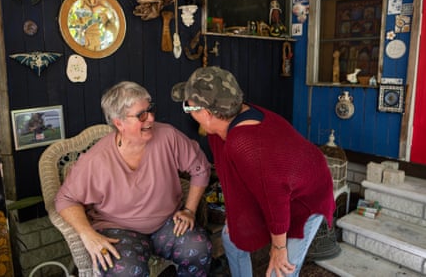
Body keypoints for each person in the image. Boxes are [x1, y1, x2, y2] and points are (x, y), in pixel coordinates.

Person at [171, 66, 336, 277]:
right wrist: (234, 213)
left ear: (206, 113)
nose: (188, 112)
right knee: (231, 238)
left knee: (281, 270)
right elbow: (231, 177)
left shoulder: (245, 143)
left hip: (306, 195)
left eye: (188, 107)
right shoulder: (220, 127)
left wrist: (278, 249)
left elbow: (274, 197)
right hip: (280, 186)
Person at [55, 81, 213, 276]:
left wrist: (189, 210)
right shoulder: (96, 160)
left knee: (199, 249)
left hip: (166, 223)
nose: (151, 118)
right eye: (141, 115)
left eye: (151, 110)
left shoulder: (168, 136)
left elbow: (200, 168)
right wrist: (87, 234)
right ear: (119, 123)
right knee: (127, 271)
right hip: (118, 230)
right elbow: (65, 199)